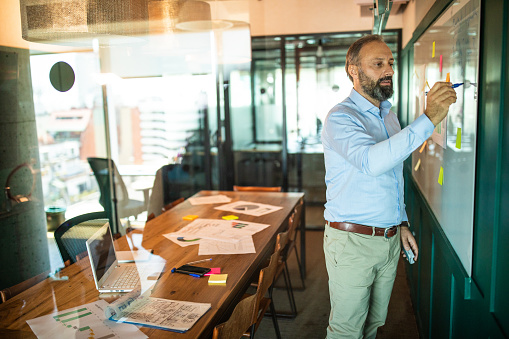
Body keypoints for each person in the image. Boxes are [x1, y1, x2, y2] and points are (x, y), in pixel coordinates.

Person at [321, 34, 456, 339]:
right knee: (346, 330)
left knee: (373, 324)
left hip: (389, 239)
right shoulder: (341, 118)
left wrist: (403, 222)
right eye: (378, 63)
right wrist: (429, 118)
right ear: (353, 70)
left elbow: (392, 179)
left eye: (391, 63)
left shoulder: (389, 116)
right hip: (352, 241)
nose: (389, 70)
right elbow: (372, 162)